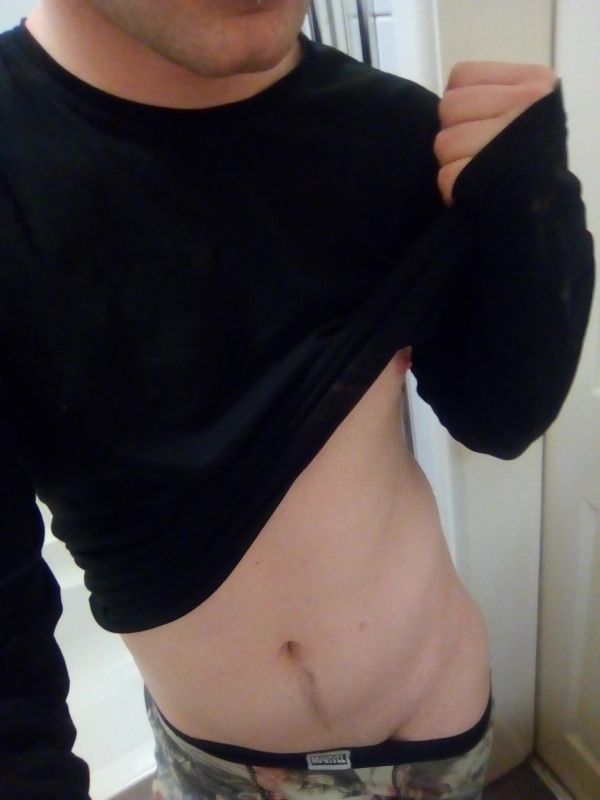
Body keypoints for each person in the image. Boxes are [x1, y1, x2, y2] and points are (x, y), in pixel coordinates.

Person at [0, 1, 594, 799]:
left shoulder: (391, 130)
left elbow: (499, 417)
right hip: (222, 771)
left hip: (441, 728)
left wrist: (536, 218)